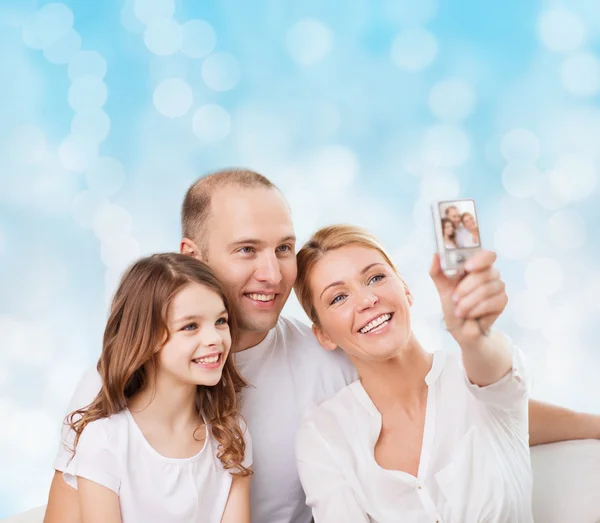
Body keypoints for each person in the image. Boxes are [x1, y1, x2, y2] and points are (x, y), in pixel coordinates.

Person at [45, 169, 600, 523]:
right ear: (191, 253)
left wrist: (586, 421)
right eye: (246, 250)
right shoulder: (119, 378)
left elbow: (468, 406)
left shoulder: (328, 362)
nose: (271, 272)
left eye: (284, 247)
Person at [294, 224, 533, 521]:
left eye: (376, 277)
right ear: (324, 336)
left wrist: (474, 336)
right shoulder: (325, 431)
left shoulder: (476, 379)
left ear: (405, 289)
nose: (367, 300)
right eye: (338, 298)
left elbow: (496, 373)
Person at [61, 253, 252, 523]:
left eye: (220, 321)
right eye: (190, 326)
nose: (214, 339)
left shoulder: (230, 435)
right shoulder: (105, 441)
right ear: (145, 338)